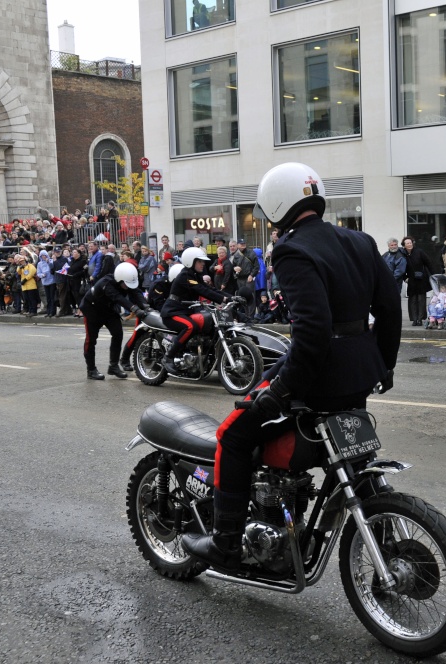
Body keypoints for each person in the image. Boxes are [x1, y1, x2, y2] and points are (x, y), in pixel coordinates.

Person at [182, 162, 400, 570]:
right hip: (359, 375)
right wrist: (383, 366)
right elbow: (389, 311)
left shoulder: (292, 248)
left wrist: (279, 392)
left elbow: (313, 334)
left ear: (276, 204)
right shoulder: (361, 240)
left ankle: (225, 542)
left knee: (232, 433)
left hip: (317, 377)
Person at [160, 247, 236, 376]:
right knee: (190, 326)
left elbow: (210, 288)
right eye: (200, 261)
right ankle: (168, 357)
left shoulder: (195, 275)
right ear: (191, 261)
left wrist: (230, 297)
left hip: (185, 311)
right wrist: (222, 299)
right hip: (173, 311)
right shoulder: (185, 275)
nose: (203, 264)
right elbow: (202, 291)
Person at [80, 263, 149, 380]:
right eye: (126, 284)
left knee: (118, 334)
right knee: (90, 340)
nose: (128, 286)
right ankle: (91, 370)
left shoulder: (125, 281)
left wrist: (146, 306)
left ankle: (113, 366)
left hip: (109, 309)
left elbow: (136, 292)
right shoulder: (106, 283)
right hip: (92, 309)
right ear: (119, 279)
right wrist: (135, 309)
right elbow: (118, 298)